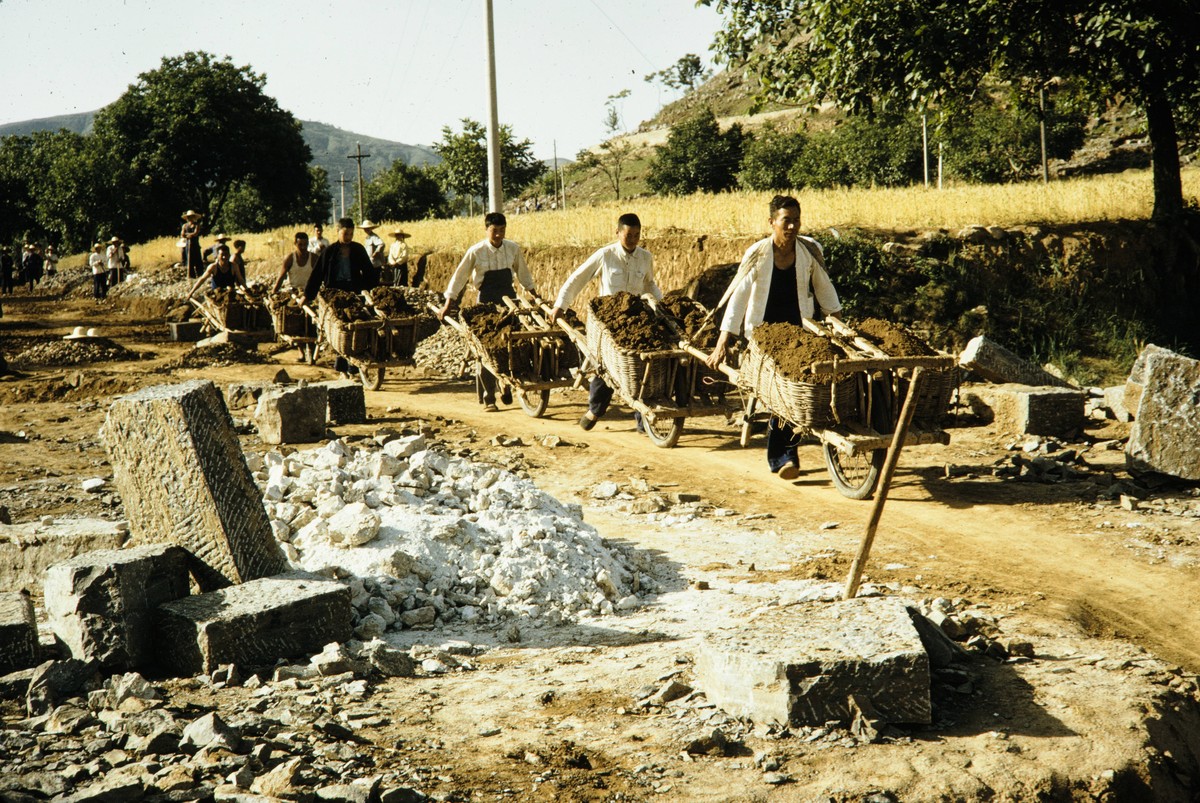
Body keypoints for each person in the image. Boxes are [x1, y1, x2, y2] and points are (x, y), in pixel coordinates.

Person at [705, 194, 842, 480]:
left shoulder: (809, 251)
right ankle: (784, 457)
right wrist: (723, 341)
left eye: (796, 221)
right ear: (772, 223)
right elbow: (738, 298)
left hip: (799, 333)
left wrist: (839, 328)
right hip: (764, 334)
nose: (792, 227)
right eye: (785, 221)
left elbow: (825, 290)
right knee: (782, 393)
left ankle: (790, 452)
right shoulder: (757, 253)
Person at [550, 212, 662, 431]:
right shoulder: (605, 255)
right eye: (629, 235)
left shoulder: (645, 257)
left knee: (641, 366)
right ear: (618, 233)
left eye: (637, 235)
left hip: (637, 321)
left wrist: (664, 305)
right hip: (609, 322)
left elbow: (649, 284)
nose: (633, 240)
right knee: (606, 367)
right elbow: (578, 278)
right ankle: (595, 410)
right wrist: (560, 305)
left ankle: (643, 420)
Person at [437, 212, 537, 412]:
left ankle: (507, 383)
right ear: (486, 230)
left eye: (502, 230)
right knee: (485, 349)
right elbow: (460, 276)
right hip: (485, 304)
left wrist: (535, 294)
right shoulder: (477, 251)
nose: (498, 235)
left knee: (513, 342)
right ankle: (488, 396)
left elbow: (523, 273)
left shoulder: (513, 249)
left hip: (509, 301)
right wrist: (449, 302)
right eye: (494, 231)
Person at [303, 217, 379, 376]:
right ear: (338, 232)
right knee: (341, 329)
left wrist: (371, 289)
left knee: (357, 327)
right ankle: (342, 367)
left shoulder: (358, 249)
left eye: (351, 234)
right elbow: (318, 274)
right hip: (335, 294)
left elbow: (369, 271)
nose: (348, 237)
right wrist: (308, 295)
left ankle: (353, 367)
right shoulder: (329, 251)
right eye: (345, 233)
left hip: (353, 292)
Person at [181, 210, 204, 278]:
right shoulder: (185, 225)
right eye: (189, 217)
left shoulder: (197, 225)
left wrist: (188, 234)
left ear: (194, 217)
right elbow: (182, 234)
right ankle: (191, 275)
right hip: (188, 244)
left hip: (195, 244)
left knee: (198, 259)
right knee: (189, 259)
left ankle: (200, 274)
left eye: (191, 217)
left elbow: (195, 233)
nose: (190, 218)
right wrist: (189, 235)